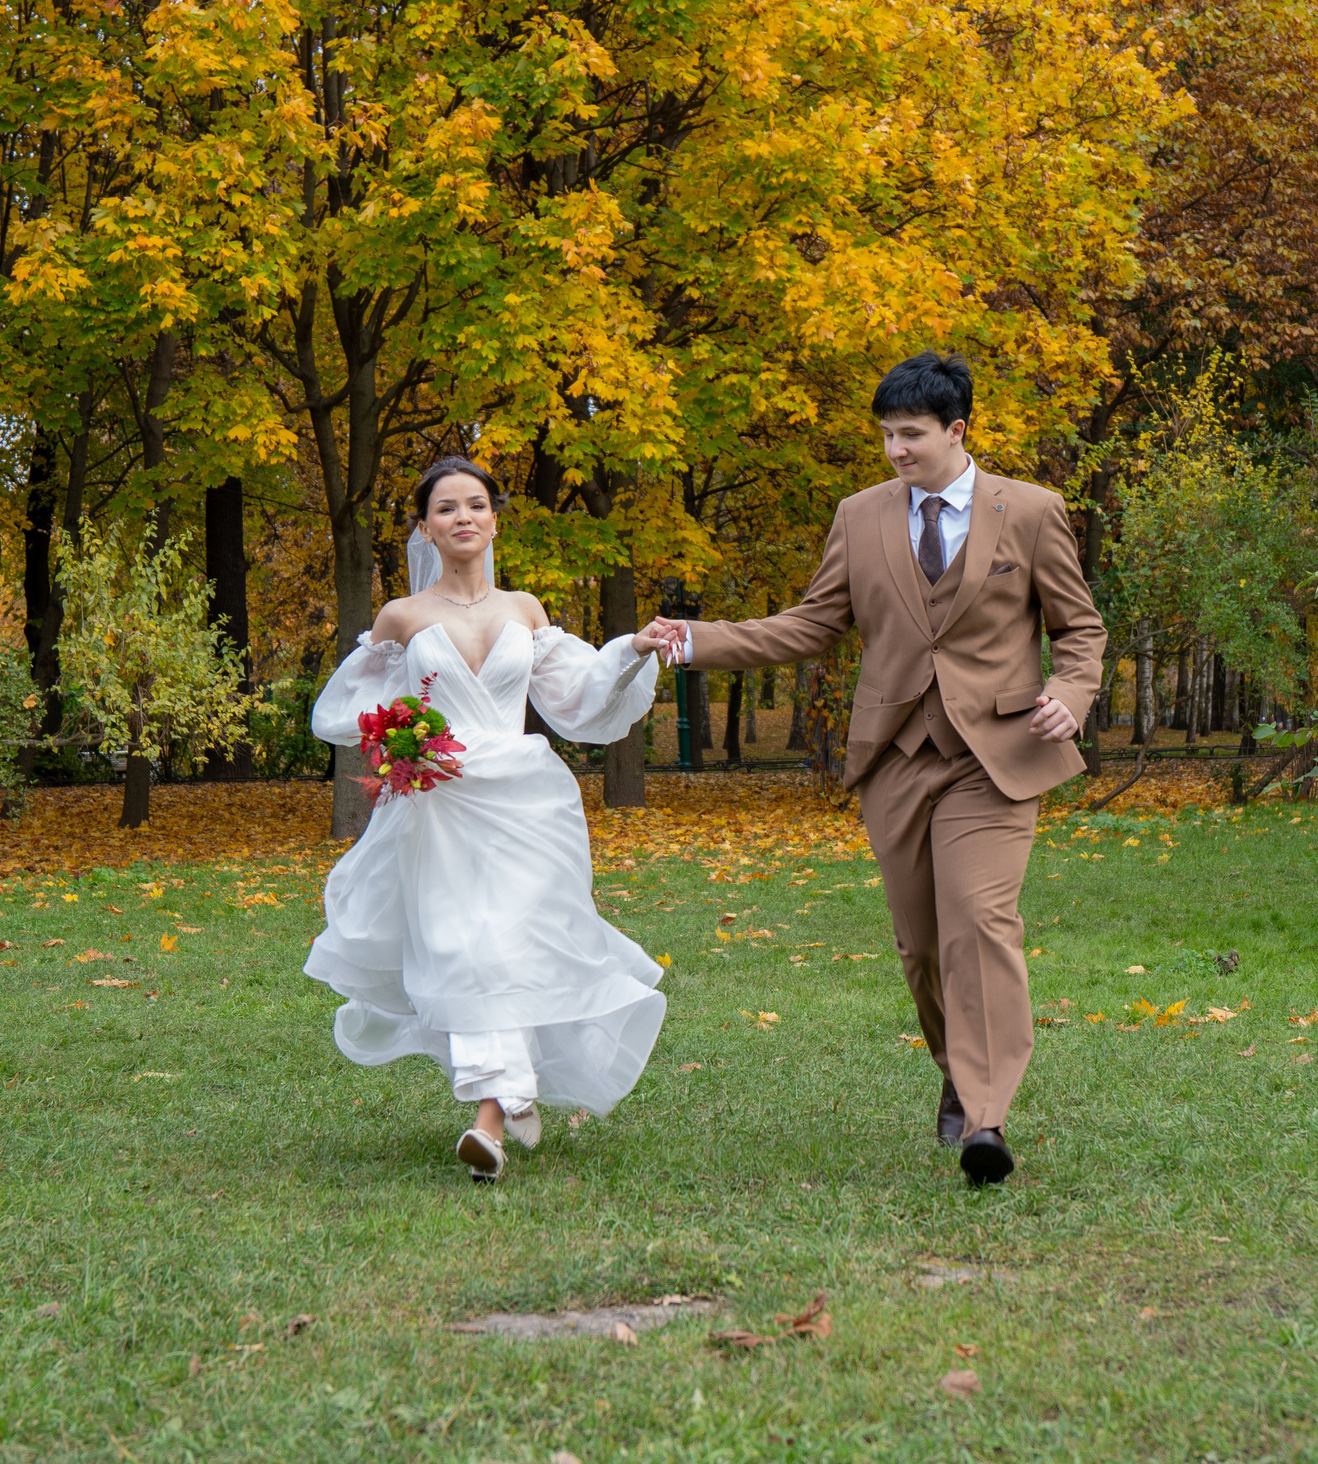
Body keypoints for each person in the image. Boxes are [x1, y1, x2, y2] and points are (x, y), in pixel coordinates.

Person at [645, 352, 1107, 1185]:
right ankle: (958, 1068)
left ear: (957, 430)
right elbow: (811, 624)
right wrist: (696, 639)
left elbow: (1080, 629)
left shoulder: (1033, 511)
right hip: (895, 754)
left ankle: (987, 1117)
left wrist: (1072, 693)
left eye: (911, 434)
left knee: (979, 921)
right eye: (888, 435)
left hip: (994, 757)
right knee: (921, 945)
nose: (896, 450)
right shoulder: (859, 517)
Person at [303, 457, 680, 1182]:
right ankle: (500, 1106)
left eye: (476, 504)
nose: (463, 517)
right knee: (465, 949)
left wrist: (631, 649)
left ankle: (497, 1109)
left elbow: (577, 696)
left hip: (525, 804)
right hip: (439, 807)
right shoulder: (401, 617)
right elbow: (348, 712)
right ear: (425, 528)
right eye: (446, 508)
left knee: (514, 948)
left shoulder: (525, 609)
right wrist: (400, 739)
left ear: (495, 520)